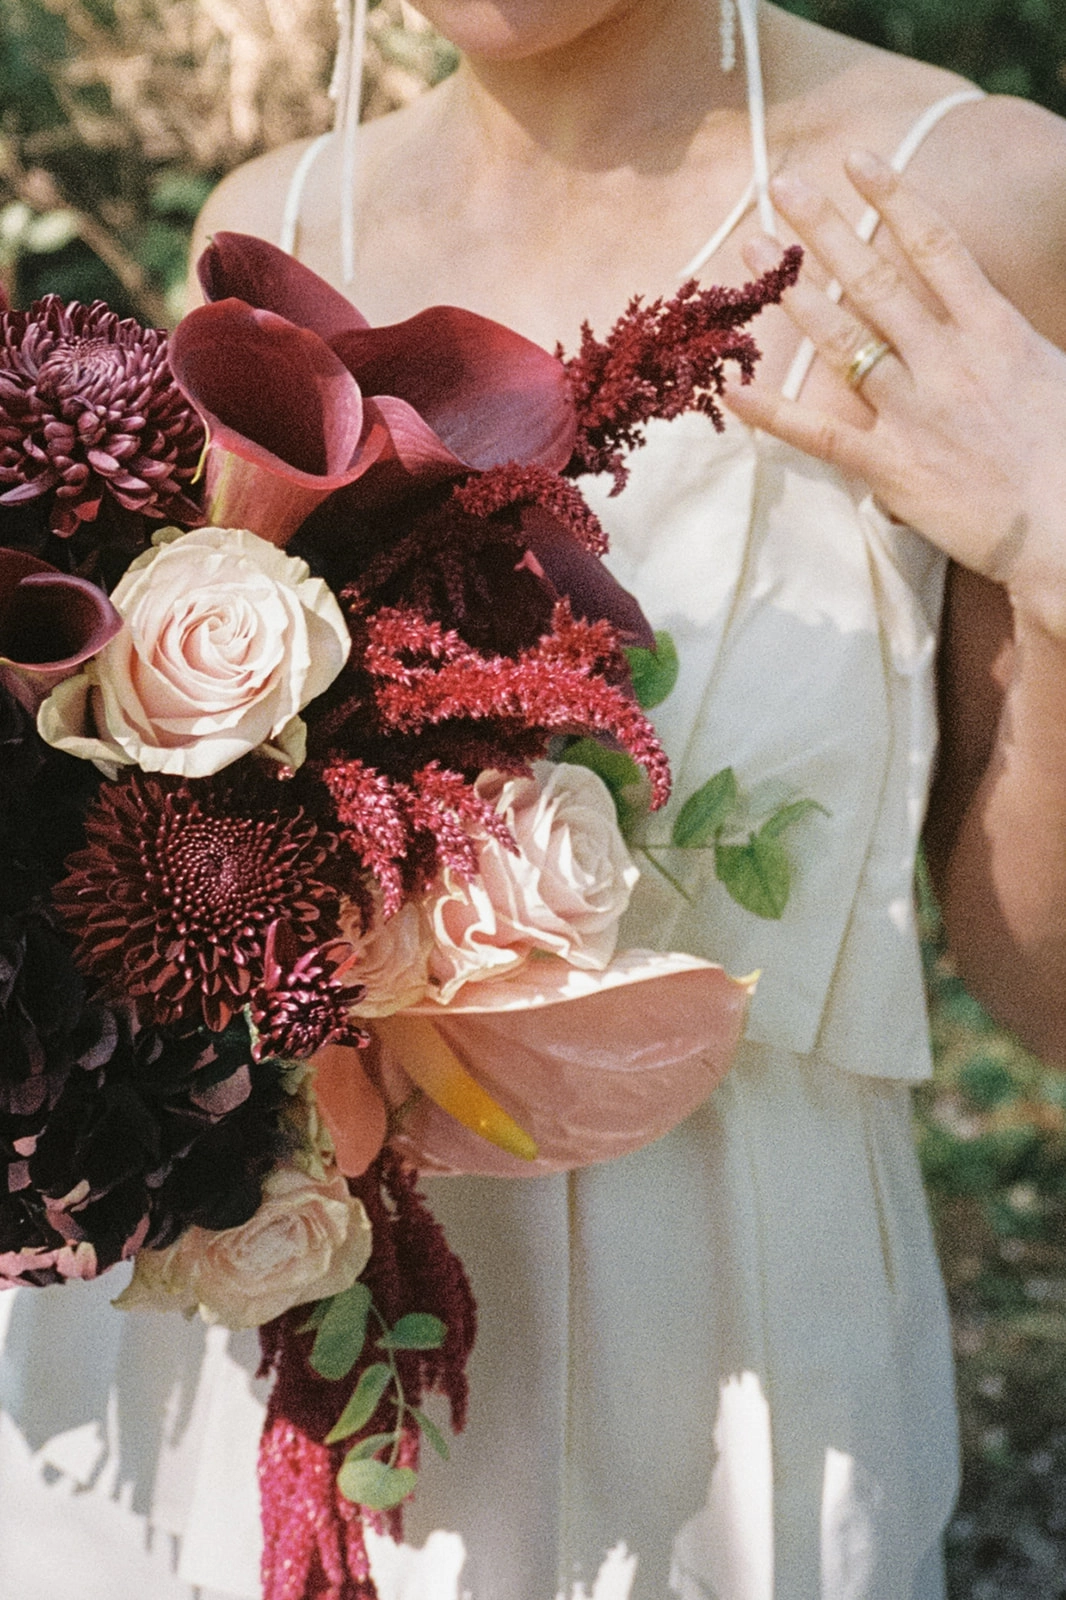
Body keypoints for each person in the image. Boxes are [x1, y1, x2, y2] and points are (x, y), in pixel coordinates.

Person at [3, 2, 1066, 1597]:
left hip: (712, 1376)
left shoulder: (974, 200)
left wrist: (1055, 551)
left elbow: (1042, 992)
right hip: (238, 1337)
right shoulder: (272, 222)